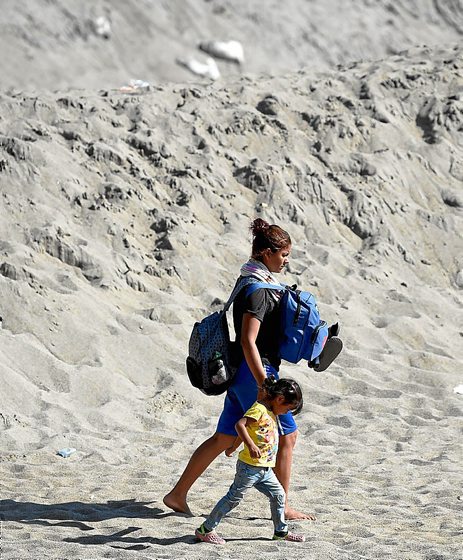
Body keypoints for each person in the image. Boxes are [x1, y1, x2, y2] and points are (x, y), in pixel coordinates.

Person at [164, 217, 315, 520]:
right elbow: (248, 341)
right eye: (283, 255)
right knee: (288, 437)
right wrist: (265, 383)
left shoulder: (248, 280)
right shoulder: (258, 291)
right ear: (266, 253)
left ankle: (177, 494)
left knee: (223, 438)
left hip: (243, 373)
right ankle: (282, 507)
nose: (286, 261)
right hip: (255, 373)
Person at [195, 377, 305, 544]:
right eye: (288, 409)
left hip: (265, 469)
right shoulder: (259, 409)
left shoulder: (271, 412)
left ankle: (280, 532)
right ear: (280, 399)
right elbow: (240, 425)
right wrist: (250, 445)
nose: (287, 413)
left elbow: (248, 430)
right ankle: (206, 529)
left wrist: (233, 446)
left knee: (279, 495)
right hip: (249, 468)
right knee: (233, 498)